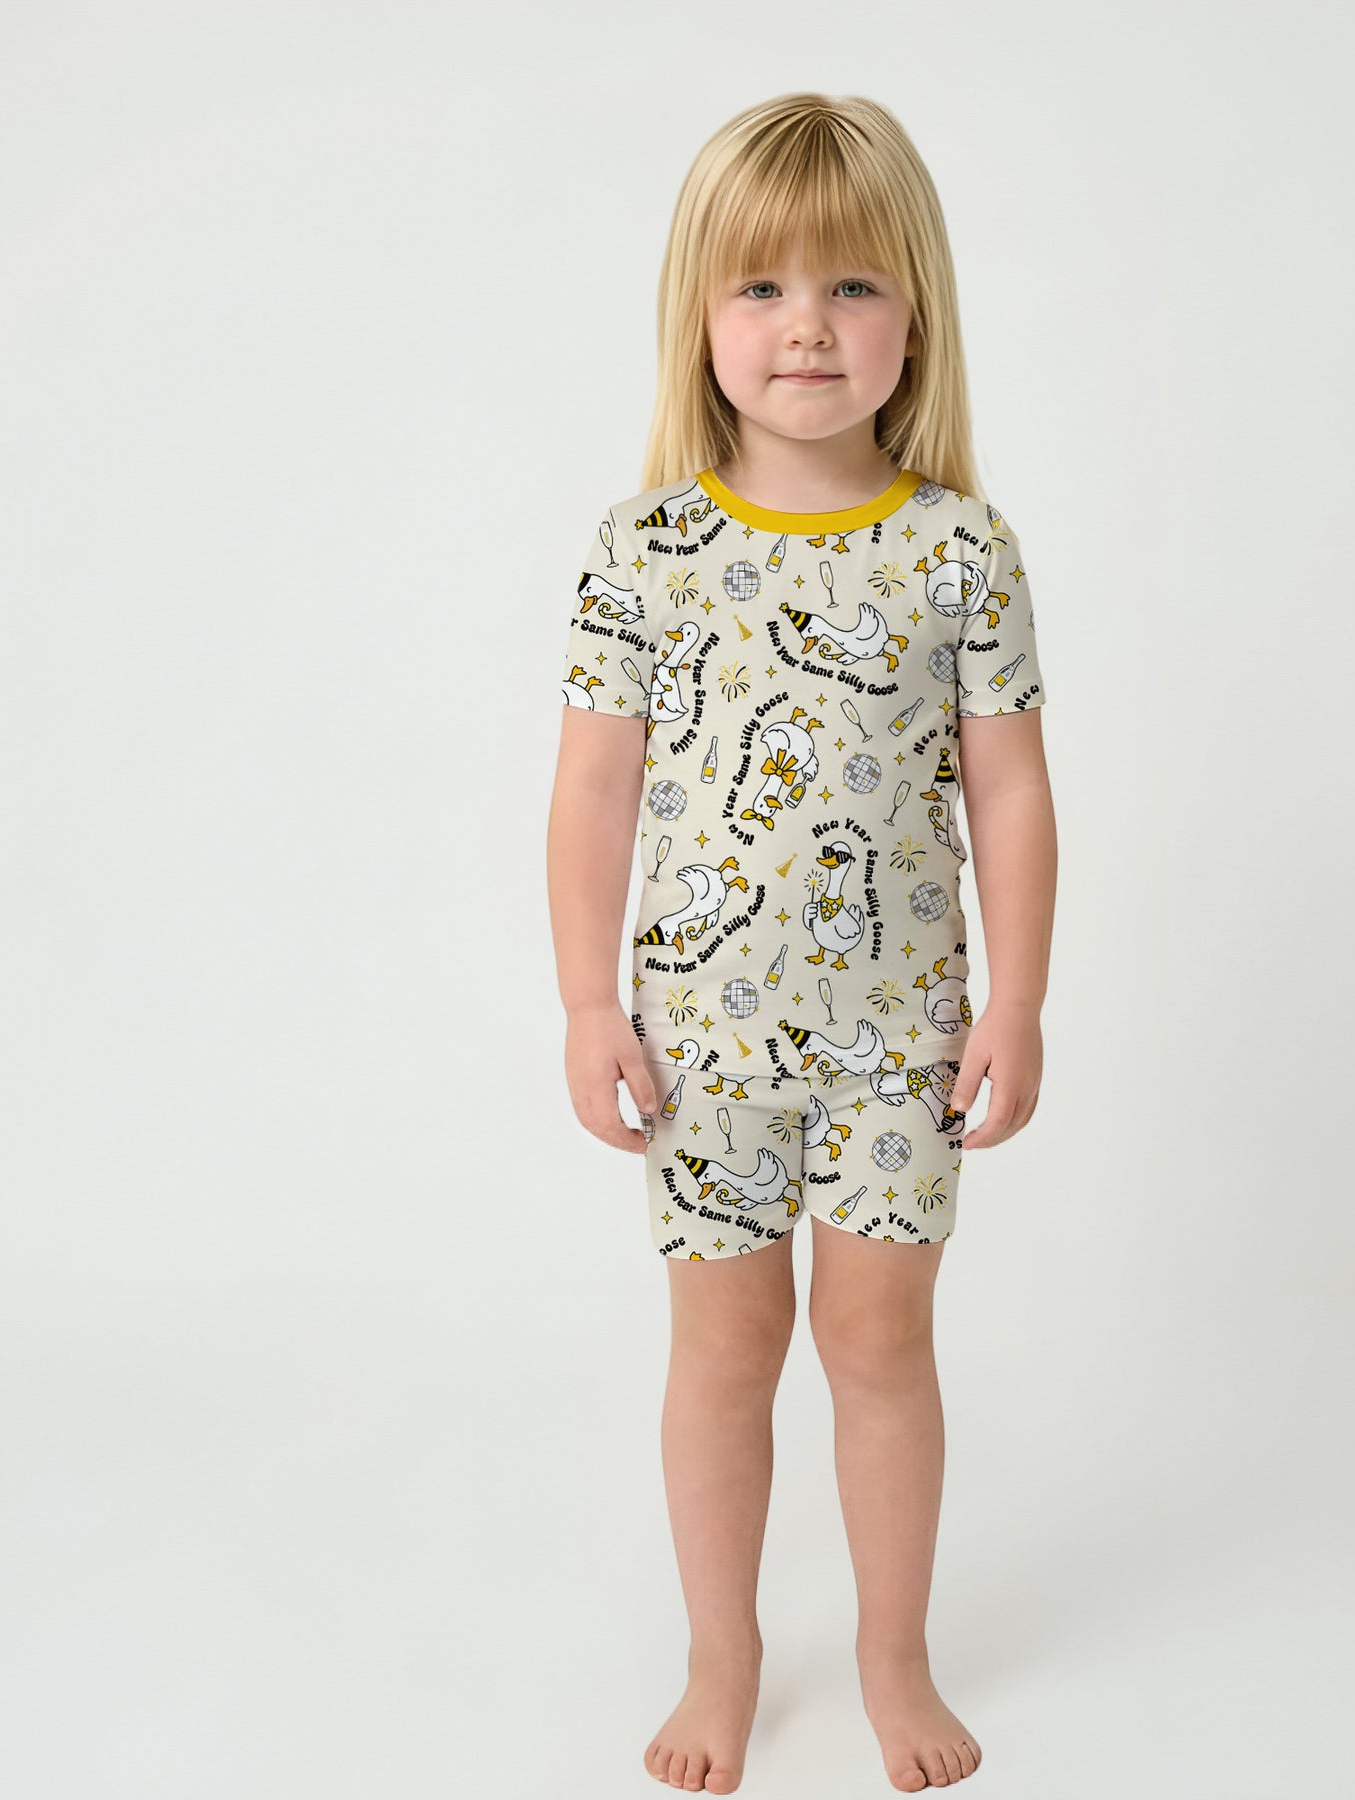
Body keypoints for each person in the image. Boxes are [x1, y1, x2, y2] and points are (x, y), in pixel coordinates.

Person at [545, 91, 1057, 1796]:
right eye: (762, 288)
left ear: (917, 314)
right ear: (700, 315)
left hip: (901, 1043)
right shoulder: (647, 553)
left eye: (852, 286)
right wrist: (587, 1004)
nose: (808, 328)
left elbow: (1011, 791)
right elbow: (593, 794)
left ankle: (894, 1654)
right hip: (702, 1046)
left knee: (879, 1346)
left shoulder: (959, 552)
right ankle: (725, 1656)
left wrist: (1018, 1003)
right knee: (723, 1353)